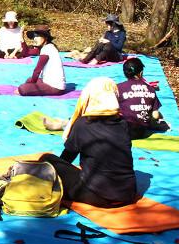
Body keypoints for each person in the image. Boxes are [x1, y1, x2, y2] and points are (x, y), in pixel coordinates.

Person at [39, 77, 138, 208]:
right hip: (128, 194)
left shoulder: (83, 124)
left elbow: (67, 158)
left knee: (47, 159)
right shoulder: (123, 124)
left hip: (98, 196)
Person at [117, 58, 170, 140]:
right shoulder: (150, 89)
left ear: (125, 73)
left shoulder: (119, 87)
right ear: (141, 73)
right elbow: (155, 115)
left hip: (122, 131)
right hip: (141, 132)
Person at [16, 25, 67, 96]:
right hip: (47, 82)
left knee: (22, 89)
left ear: (45, 37)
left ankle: (27, 88)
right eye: (34, 36)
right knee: (29, 80)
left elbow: (37, 71)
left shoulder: (48, 49)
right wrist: (22, 39)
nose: (35, 38)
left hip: (55, 87)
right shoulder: (44, 48)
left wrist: (28, 87)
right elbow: (26, 52)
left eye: (37, 36)